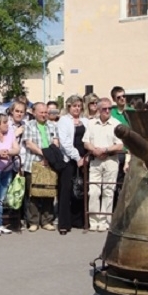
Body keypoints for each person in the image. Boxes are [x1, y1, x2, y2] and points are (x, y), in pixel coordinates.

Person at [83, 98, 123, 231]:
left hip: (111, 160)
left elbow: (120, 145)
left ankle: (105, 222)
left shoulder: (116, 124)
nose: (107, 111)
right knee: (93, 191)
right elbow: (86, 142)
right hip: (95, 161)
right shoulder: (91, 123)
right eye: (104, 109)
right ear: (99, 110)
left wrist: (105, 150)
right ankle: (94, 222)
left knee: (108, 191)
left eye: (109, 108)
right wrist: (94, 150)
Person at [22, 102, 59, 232]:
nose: (44, 115)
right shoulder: (28, 125)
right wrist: (44, 154)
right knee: (33, 193)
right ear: (34, 112)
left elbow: (55, 142)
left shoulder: (52, 125)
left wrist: (50, 156)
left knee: (49, 192)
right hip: (33, 162)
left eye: (46, 112)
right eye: (41, 112)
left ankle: (47, 220)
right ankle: (33, 221)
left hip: (49, 164)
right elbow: (29, 143)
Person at [57, 95, 88, 234]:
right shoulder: (64, 120)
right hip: (68, 159)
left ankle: (78, 220)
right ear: (69, 106)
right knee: (66, 190)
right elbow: (65, 142)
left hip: (84, 159)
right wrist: (77, 157)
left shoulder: (85, 121)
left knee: (81, 188)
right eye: (74, 105)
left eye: (79, 106)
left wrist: (85, 157)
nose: (77, 108)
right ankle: (64, 223)